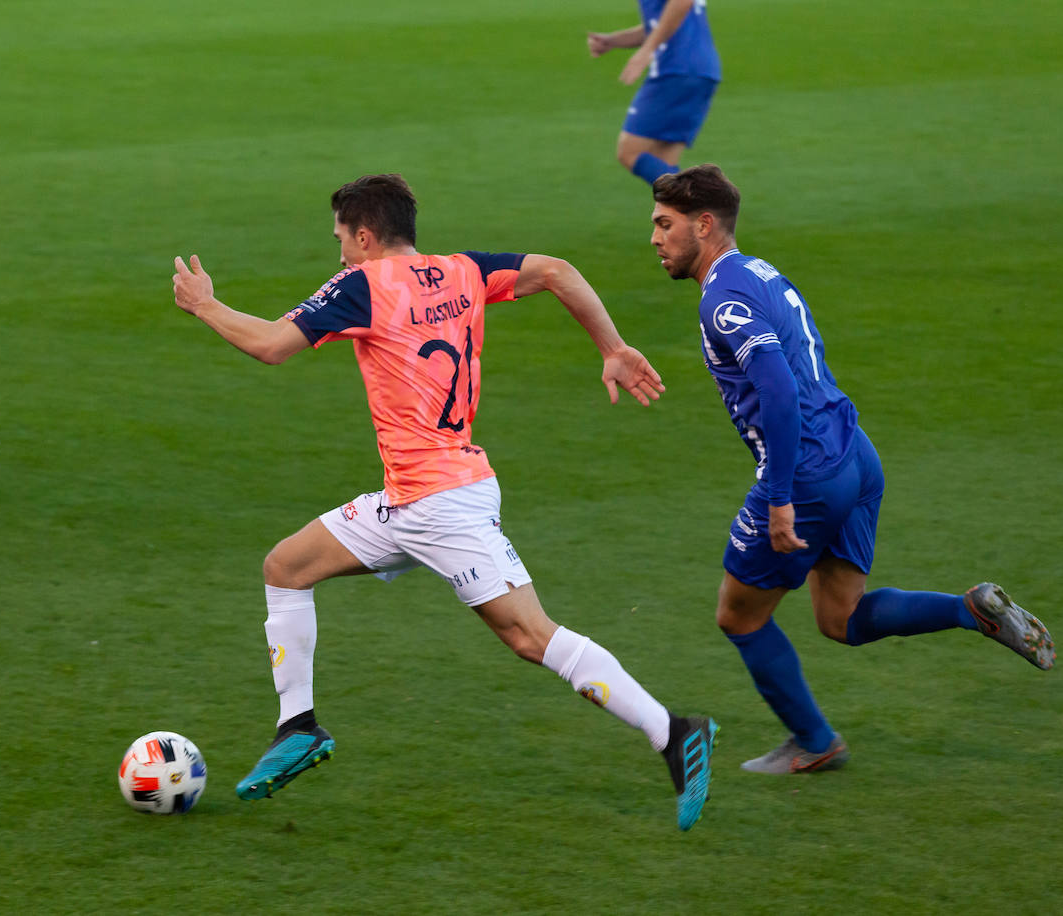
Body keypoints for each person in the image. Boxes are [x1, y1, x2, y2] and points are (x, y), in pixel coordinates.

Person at [173, 173, 718, 829]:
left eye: (341, 240)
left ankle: (675, 733)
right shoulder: (459, 273)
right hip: (414, 496)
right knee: (286, 568)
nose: (339, 254)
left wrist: (204, 304)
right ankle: (298, 727)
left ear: (366, 235)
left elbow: (269, 344)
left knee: (529, 634)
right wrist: (612, 347)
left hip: (441, 504)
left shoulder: (361, 288)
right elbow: (555, 270)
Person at [648, 164, 1055, 774]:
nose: (654, 238)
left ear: (704, 226)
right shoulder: (758, 270)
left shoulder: (722, 299)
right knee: (840, 619)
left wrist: (780, 496)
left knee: (739, 616)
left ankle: (816, 742)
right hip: (855, 453)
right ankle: (968, 610)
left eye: (664, 224)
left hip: (806, 474)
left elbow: (780, 393)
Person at [587, 0, 722, 188]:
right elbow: (661, 23)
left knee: (629, 152)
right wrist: (613, 40)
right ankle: (693, 212)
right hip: (698, 69)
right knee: (663, 165)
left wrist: (647, 50)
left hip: (676, 69)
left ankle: (703, 204)